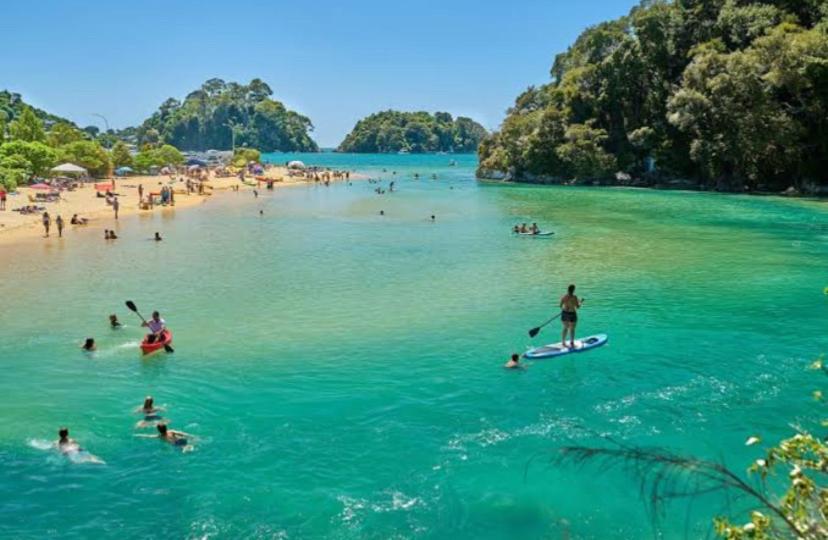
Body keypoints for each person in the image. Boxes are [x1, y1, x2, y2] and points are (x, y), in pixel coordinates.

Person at [560, 284, 583, 349]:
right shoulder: (574, 297)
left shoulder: (564, 297)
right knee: (572, 329)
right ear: (573, 290)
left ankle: (563, 342)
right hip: (572, 314)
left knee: (565, 327)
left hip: (564, 313)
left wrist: (565, 308)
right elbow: (577, 307)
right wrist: (581, 302)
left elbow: (560, 306)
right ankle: (572, 342)